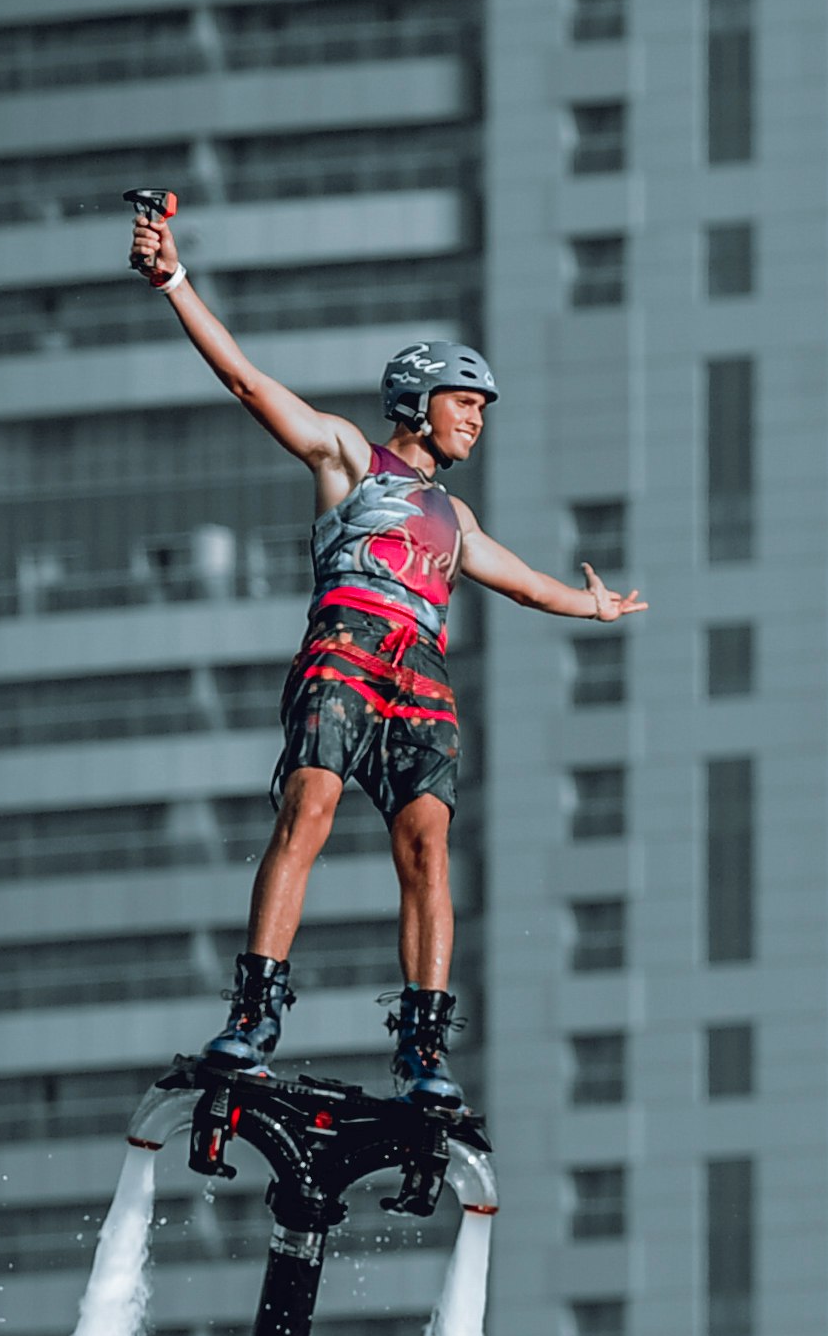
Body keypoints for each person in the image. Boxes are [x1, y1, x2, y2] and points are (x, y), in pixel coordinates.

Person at [129, 194, 644, 1104]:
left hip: (424, 675)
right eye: (464, 402)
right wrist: (175, 279)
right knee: (311, 809)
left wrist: (590, 607)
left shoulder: (459, 516)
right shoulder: (347, 459)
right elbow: (249, 383)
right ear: (417, 398)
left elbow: (521, 582)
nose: (476, 420)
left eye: (483, 408)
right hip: (348, 647)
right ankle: (253, 1016)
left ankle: (423, 1048)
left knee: (428, 851)